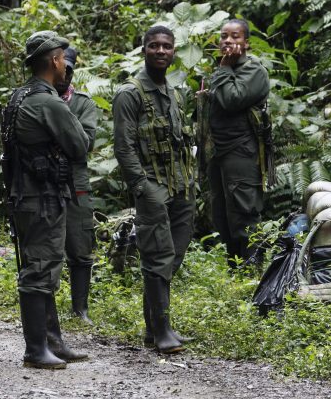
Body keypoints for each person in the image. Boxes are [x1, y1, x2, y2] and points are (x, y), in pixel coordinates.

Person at [1, 30, 90, 368]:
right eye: (63, 58)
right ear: (55, 60)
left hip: (25, 194)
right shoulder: (48, 101)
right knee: (40, 270)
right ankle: (36, 350)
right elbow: (80, 146)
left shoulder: (18, 96)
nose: (66, 66)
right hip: (42, 198)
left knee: (41, 266)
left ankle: (53, 342)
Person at [113, 25, 196, 353]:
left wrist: (191, 184)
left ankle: (153, 328)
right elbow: (124, 146)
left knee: (172, 255)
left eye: (166, 47)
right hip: (152, 189)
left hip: (181, 187)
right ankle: (161, 330)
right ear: (143, 49)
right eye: (154, 46)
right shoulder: (129, 93)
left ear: (173, 51)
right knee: (157, 256)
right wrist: (143, 188)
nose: (161, 51)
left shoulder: (175, 92)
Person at [199, 19, 271, 267]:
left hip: (242, 151)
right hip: (219, 153)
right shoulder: (224, 69)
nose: (228, 41)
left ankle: (253, 270)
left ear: (246, 43)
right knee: (222, 216)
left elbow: (233, 99)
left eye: (235, 37)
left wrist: (224, 70)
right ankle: (235, 267)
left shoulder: (253, 71)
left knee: (244, 213)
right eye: (224, 36)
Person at [54, 47, 98, 324]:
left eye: (70, 69)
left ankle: (79, 309)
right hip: (45, 181)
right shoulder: (37, 99)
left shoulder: (82, 103)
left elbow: (86, 144)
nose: (65, 74)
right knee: (45, 249)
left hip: (76, 183)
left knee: (81, 246)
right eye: (62, 68)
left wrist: (60, 119)